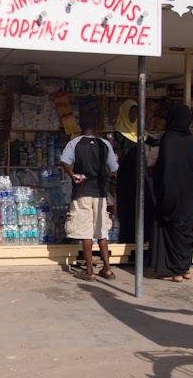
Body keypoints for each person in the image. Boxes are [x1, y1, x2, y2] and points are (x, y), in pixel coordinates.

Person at [59, 111, 119, 281]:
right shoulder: (104, 144)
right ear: (96, 125)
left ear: (80, 125)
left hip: (82, 192)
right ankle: (107, 269)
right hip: (100, 193)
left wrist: (73, 174)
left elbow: (64, 160)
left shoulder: (75, 143)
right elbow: (114, 168)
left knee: (86, 232)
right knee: (101, 231)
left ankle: (90, 270)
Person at [148, 104, 193, 283]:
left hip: (171, 193)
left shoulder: (169, 139)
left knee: (169, 229)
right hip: (188, 194)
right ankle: (185, 268)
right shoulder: (191, 140)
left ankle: (171, 270)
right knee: (185, 229)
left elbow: (165, 168)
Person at [112, 99, 160, 244]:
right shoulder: (119, 132)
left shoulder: (140, 131)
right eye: (130, 113)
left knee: (144, 204)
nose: (133, 116)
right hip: (127, 174)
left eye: (136, 113)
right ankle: (128, 238)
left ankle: (144, 237)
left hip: (141, 173)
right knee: (128, 206)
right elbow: (118, 151)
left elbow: (153, 141)